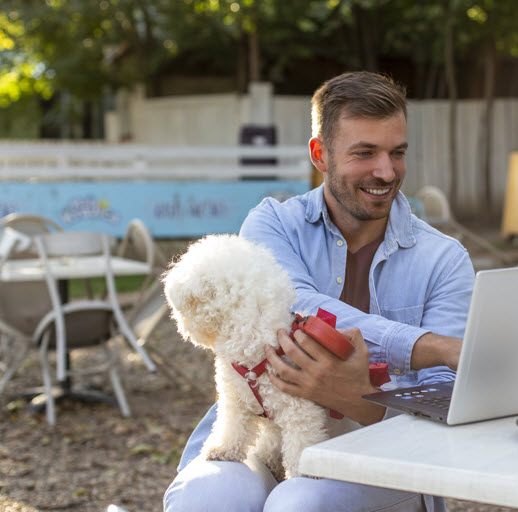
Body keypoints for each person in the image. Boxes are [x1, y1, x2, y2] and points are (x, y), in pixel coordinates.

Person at [163, 71, 475, 511]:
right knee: (208, 495)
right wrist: (432, 347)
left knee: (300, 503)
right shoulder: (271, 224)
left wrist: (363, 400)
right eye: (364, 153)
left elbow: (448, 395)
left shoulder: (445, 260)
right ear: (320, 154)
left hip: (384, 453)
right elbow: (298, 307)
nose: (385, 171)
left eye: (397, 153)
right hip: (263, 435)